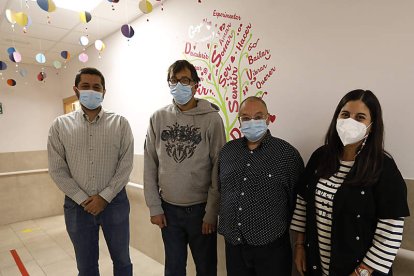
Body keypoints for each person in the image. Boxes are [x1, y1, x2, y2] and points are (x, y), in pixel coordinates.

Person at [291, 89, 410, 276]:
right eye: (345, 115)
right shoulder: (320, 157)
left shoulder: (383, 167)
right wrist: (299, 245)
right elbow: (303, 202)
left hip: (360, 270)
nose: (350, 121)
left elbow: (391, 229)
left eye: (360, 117)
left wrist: (362, 271)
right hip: (317, 263)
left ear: (372, 125)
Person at [47, 67, 134, 276]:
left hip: (115, 203)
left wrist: (104, 197)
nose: (91, 91)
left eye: (97, 87)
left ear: (104, 91)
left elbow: (126, 165)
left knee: (122, 261)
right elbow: (57, 170)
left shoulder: (120, 124)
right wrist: (83, 199)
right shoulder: (60, 126)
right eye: (85, 86)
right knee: (86, 267)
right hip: (78, 208)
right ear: (76, 90)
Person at [144, 59, 226, 276]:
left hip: (200, 211)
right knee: (173, 268)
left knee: (206, 268)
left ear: (196, 84)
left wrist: (211, 212)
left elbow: (219, 166)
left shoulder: (212, 120)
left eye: (185, 80)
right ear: (168, 83)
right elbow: (150, 163)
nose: (179, 85)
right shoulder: (157, 118)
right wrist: (154, 206)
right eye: (174, 80)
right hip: (168, 210)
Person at [218, 96, 304, 276]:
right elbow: (221, 190)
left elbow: (298, 202)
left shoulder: (287, 155)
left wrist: (298, 243)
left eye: (258, 117)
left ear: (268, 118)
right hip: (234, 244)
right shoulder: (227, 151)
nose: (252, 122)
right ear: (239, 120)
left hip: (272, 247)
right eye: (246, 118)